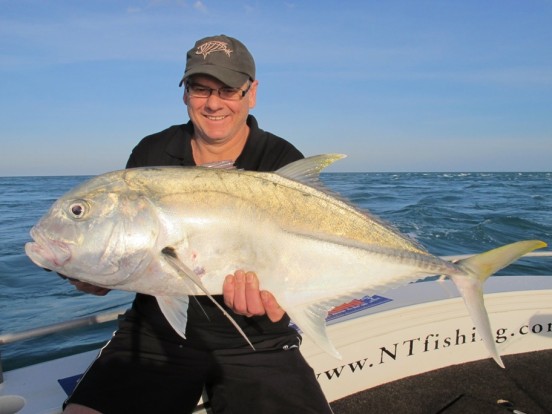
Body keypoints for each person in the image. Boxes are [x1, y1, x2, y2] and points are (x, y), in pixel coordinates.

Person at [63, 35, 333, 414]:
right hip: (156, 331)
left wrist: (282, 297)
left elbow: (309, 253)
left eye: (228, 90)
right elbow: (130, 248)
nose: (213, 103)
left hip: (259, 339)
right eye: (200, 89)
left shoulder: (281, 159)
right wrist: (94, 274)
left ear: (251, 93)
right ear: (185, 92)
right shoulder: (151, 154)